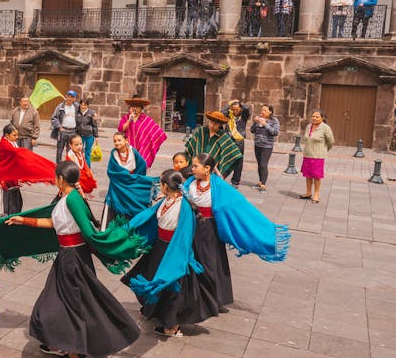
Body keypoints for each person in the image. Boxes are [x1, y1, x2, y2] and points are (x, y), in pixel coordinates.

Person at [0, 161, 144, 358]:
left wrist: (110, 242)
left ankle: (76, 353)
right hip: (67, 256)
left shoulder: (73, 200)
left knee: (70, 303)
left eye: (56, 177)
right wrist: (23, 221)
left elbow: (88, 232)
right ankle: (62, 344)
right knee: (62, 301)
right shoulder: (66, 198)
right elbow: (53, 224)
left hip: (74, 258)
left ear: (61, 179)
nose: (54, 180)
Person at [185, 153, 290, 312]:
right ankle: (196, 297)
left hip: (209, 230)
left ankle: (214, 298)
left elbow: (240, 206)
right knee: (193, 262)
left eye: (195, 166)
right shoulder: (189, 183)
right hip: (192, 228)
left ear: (207, 169)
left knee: (211, 263)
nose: (191, 169)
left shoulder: (218, 186)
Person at [124, 169, 214, 337]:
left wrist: (178, 256)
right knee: (153, 278)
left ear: (165, 186)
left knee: (173, 288)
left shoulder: (184, 206)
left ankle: (172, 327)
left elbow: (184, 235)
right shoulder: (166, 200)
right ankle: (154, 311)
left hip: (174, 250)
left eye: (160, 184)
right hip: (160, 247)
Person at [0, 124, 56, 216]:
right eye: (14, 135)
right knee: (2, 200)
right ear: (7, 135)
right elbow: (18, 153)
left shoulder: (12, 143)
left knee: (13, 199)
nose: (17, 137)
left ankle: (11, 214)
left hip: (11, 174)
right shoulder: (4, 144)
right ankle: (1, 217)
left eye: (17, 135)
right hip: (4, 175)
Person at [104, 131, 157, 223]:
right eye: (115, 141)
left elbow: (142, 164)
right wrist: (125, 175)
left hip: (132, 180)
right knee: (116, 200)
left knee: (136, 199)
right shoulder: (114, 154)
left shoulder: (133, 151)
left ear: (126, 140)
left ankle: (134, 222)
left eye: (119, 140)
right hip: (119, 183)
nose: (117, 143)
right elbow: (111, 171)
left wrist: (135, 178)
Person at [184, 111, 242, 178]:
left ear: (220, 125)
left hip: (211, 171)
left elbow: (236, 155)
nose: (212, 125)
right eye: (211, 122)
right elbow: (189, 148)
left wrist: (224, 174)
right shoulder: (200, 131)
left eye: (216, 124)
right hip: (195, 168)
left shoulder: (223, 136)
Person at [117, 96, 167, 168]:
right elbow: (121, 129)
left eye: (137, 107)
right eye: (133, 106)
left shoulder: (146, 119)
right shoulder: (125, 118)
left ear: (141, 108)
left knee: (139, 168)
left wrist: (148, 142)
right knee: (127, 168)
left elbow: (159, 133)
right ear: (130, 108)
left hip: (142, 148)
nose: (135, 108)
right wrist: (129, 120)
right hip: (127, 147)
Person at [300, 109, 334, 204]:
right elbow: (306, 139)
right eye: (313, 116)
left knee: (317, 176)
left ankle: (316, 195)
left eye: (317, 117)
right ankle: (308, 192)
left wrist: (324, 149)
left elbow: (331, 142)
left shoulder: (325, 128)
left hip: (318, 156)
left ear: (322, 118)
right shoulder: (308, 126)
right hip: (307, 154)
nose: (314, 118)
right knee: (308, 175)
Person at [221, 99, 250, 187]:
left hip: (238, 141)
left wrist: (240, 102)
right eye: (233, 109)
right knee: (225, 159)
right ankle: (222, 176)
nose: (235, 111)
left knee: (238, 161)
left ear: (240, 109)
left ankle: (235, 181)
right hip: (228, 140)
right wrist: (229, 103)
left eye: (237, 109)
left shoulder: (243, 116)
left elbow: (247, 109)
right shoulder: (229, 115)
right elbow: (221, 113)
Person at [250, 105, 280, 191]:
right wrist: (255, 122)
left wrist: (265, 124)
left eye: (265, 110)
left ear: (270, 111)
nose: (262, 112)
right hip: (257, 145)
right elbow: (252, 130)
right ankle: (260, 181)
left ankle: (263, 184)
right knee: (259, 164)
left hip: (267, 146)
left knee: (263, 164)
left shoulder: (274, 120)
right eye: (262, 110)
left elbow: (275, 132)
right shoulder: (259, 119)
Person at [51, 90, 79, 164]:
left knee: (70, 150)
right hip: (63, 131)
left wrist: (93, 113)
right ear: (66, 96)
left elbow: (85, 109)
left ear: (75, 98)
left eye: (72, 97)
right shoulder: (60, 107)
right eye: (68, 96)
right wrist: (59, 127)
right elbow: (54, 118)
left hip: (73, 131)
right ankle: (58, 165)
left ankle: (69, 164)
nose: (70, 98)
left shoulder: (76, 106)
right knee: (60, 149)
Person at [75, 99, 98, 166]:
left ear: (87, 105)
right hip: (80, 135)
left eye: (85, 105)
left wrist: (96, 136)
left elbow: (94, 125)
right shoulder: (77, 113)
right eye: (81, 105)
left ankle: (87, 167)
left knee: (87, 152)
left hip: (89, 136)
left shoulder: (91, 113)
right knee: (79, 152)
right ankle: (80, 166)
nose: (83, 106)